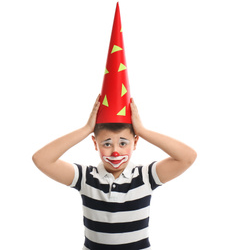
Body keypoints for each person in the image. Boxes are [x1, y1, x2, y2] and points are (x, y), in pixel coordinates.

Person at [32, 95, 197, 250]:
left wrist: (142, 130)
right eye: (106, 144)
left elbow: (187, 157)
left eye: (123, 143)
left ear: (135, 142)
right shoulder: (86, 177)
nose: (115, 151)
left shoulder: (145, 176)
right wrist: (86, 128)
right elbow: (42, 159)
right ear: (95, 144)